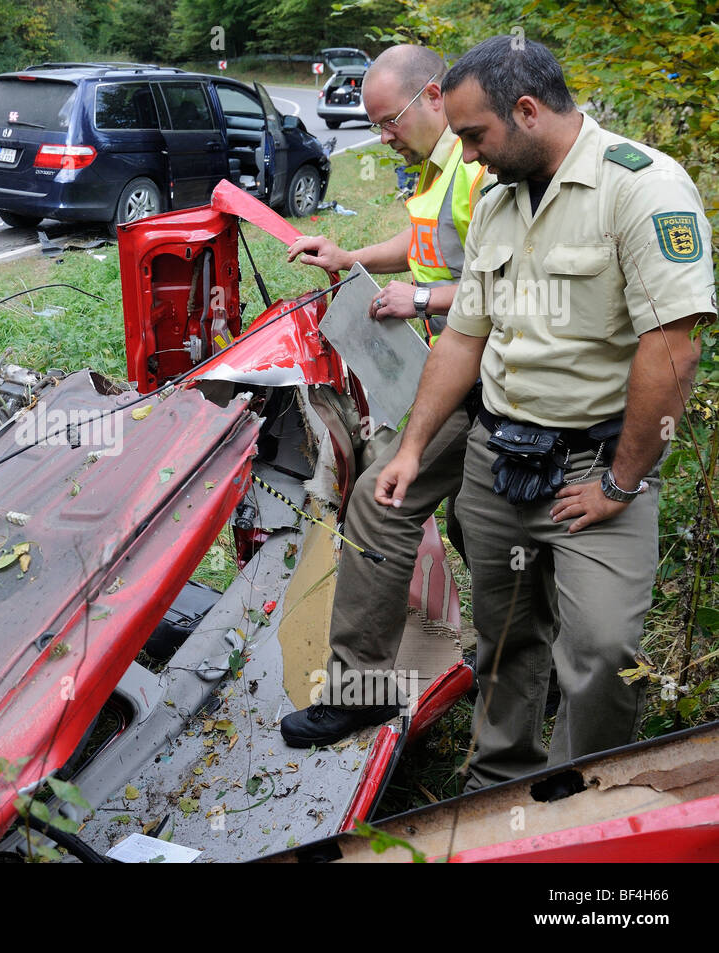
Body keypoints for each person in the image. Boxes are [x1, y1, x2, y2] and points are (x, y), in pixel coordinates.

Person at [375, 35, 712, 789]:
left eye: (474, 136)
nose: (466, 158)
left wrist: (620, 485)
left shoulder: (642, 188)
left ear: (527, 111)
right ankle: (498, 784)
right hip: (499, 463)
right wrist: (412, 446)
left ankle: (579, 795)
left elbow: (672, 352)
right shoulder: (496, 198)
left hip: (596, 468)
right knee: (505, 639)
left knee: (601, 650)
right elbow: (464, 336)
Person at [278, 45, 494, 747]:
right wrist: (354, 259)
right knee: (476, 523)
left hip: (487, 380)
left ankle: (361, 689)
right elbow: (425, 242)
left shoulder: (482, 167)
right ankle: (525, 656)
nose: (382, 136)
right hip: (454, 375)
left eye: (389, 119)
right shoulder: (443, 169)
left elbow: (521, 283)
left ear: (433, 95)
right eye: (374, 125)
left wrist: (424, 298)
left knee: (379, 500)